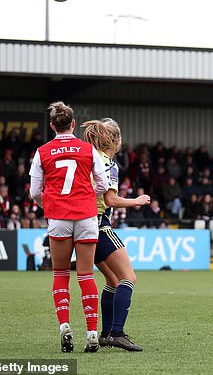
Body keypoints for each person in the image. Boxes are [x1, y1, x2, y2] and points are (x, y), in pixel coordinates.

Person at [29, 101, 109, 353]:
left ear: (52, 125)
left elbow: (34, 192)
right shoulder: (88, 150)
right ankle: (93, 332)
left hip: (59, 217)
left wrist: (49, 202)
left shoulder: (42, 152)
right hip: (86, 216)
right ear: (73, 124)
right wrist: (85, 195)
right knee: (85, 275)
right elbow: (103, 185)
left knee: (60, 274)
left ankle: (65, 326)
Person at [82, 118, 151, 351]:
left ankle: (105, 334)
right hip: (100, 226)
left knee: (112, 280)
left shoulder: (91, 158)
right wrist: (137, 201)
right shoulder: (108, 164)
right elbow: (110, 200)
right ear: (115, 140)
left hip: (83, 226)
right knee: (128, 277)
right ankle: (117, 334)